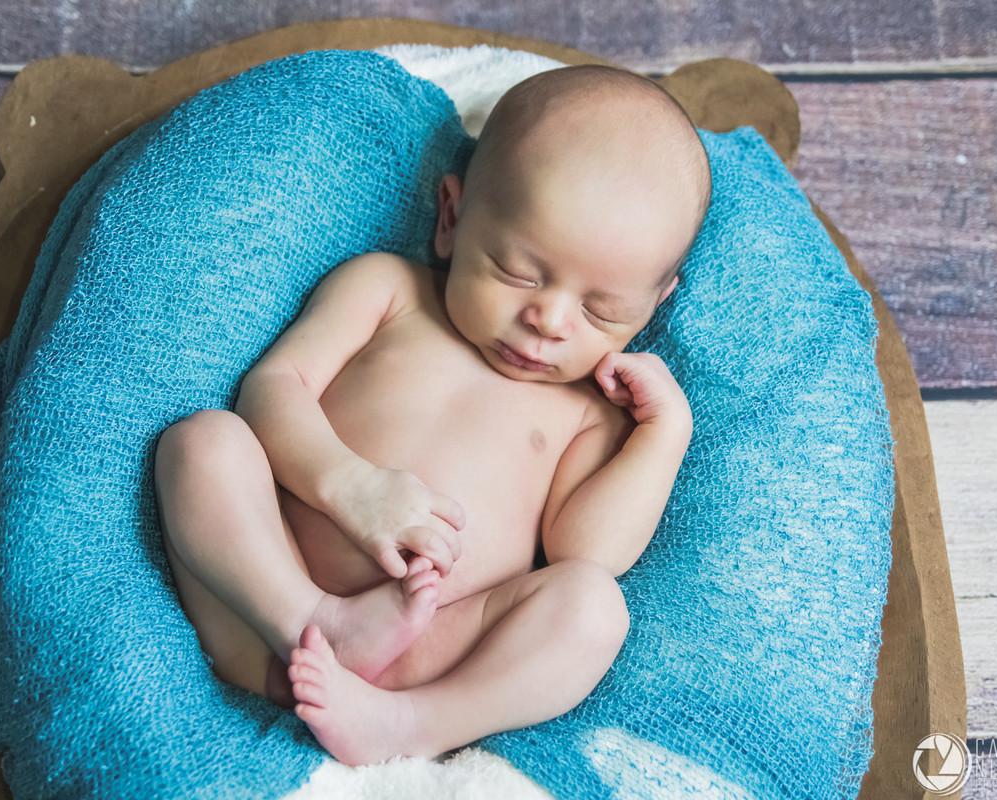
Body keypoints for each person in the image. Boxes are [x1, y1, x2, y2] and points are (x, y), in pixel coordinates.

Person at [153, 63, 712, 765]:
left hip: (430, 651)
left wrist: (665, 434)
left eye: (603, 310)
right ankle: (314, 619)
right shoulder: (389, 291)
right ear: (452, 219)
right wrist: (349, 485)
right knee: (202, 442)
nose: (548, 319)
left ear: (654, 305)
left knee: (595, 607)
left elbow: (585, 553)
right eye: (517, 270)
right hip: (262, 616)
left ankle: (413, 724)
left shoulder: (590, 413)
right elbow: (273, 388)